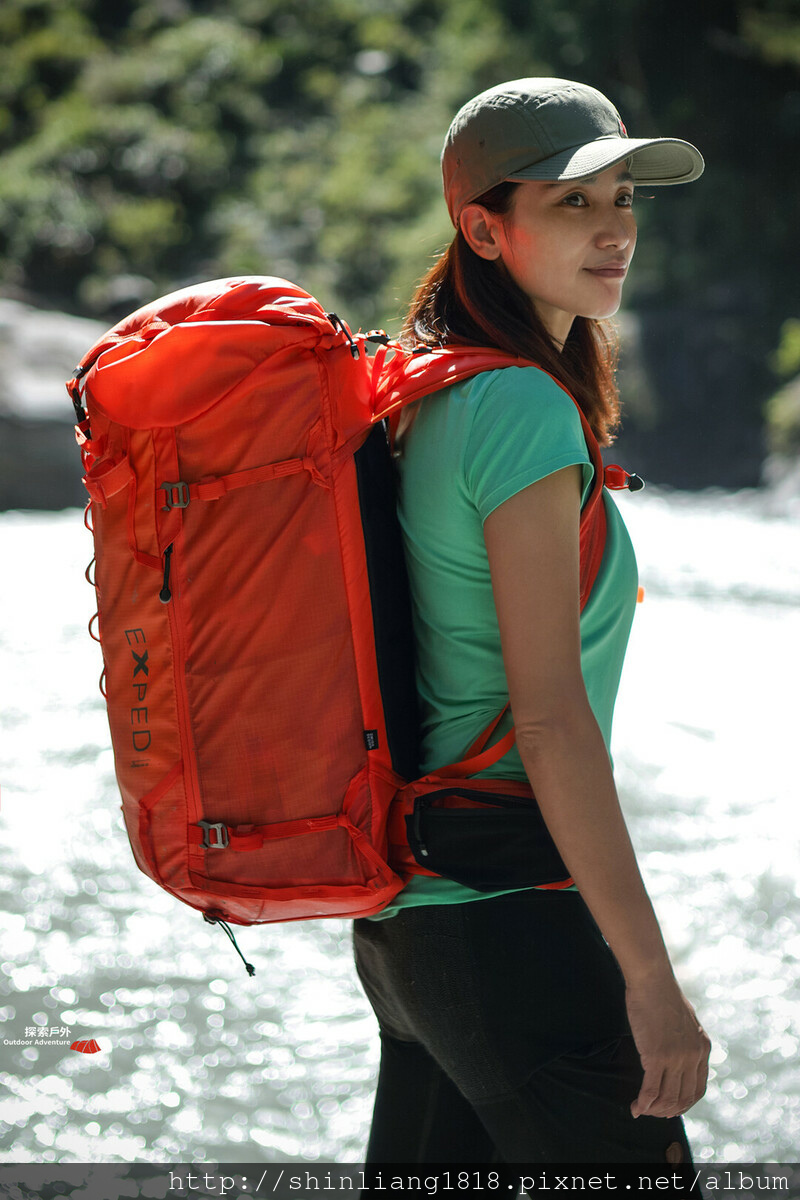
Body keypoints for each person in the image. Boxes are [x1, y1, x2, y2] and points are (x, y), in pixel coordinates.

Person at [353, 78, 711, 1165]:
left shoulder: (429, 389)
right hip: (509, 919)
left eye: (621, 199)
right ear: (482, 228)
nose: (613, 230)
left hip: (412, 928)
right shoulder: (515, 410)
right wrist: (649, 983)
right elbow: (550, 724)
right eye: (571, 204)